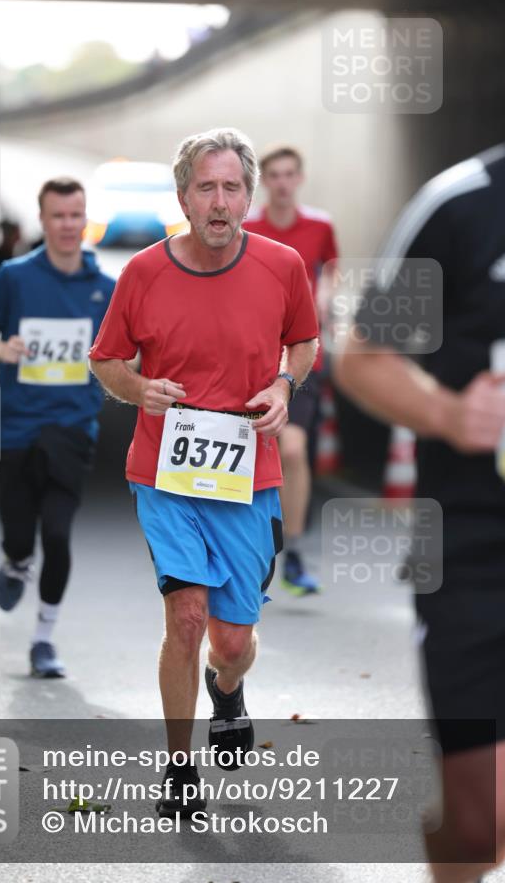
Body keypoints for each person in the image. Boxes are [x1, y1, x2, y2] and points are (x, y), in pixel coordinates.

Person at [89, 128, 318, 817]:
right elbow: (106, 360)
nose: (219, 202)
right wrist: (138, 390)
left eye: (230, 189)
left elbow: (303, 343)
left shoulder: (282, 267)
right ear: (183, 197)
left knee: (232, 640)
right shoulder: (143, 273)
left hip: (248, 474)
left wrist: (282, 385)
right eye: (205, 188)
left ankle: (228, 688)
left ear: (247, 197)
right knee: (185, 616)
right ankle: (179, 770)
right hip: (164, 471)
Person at [334, 61, 505, 883]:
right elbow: (361, 356)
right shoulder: (462, 206)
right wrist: (448, 414)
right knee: (481, 825)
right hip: (479, 550)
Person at [0, 178, 115, 677]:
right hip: (13, 428)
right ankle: (13, 562)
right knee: (18, 534)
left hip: (71, 429)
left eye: (76, 215)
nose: (68, 225)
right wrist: (0, 349)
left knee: (57, 532)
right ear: (43, 220)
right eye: (58, 216)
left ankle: (44, 640)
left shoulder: (105, 288)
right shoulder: (14, 277)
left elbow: (128, 349)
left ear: (85, 218)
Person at [246, 147, 339, 595]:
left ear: (299, 178)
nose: (282, 182)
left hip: (303, 356)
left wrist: (324, 298)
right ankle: (248, 548)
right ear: (264, 181)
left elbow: (334, 269)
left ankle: (295, 551)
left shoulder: (319, 226)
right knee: (252, 455)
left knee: (296, 451)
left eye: (289, 175)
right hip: (251, 357)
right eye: (274, 175)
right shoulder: (248, 230)